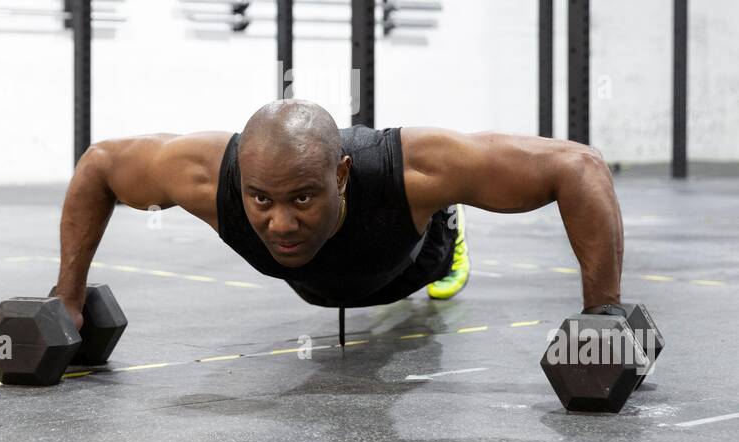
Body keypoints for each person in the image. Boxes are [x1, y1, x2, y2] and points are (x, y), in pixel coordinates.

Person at [53, 99, 624, 335]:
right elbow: (101, 165)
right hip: (316, 284)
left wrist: (604, 314)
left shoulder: (408, 169)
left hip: (407, 262)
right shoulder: (205, 179)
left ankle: (446, 228)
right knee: (312, 273)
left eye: (302, 198)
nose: (278, 223)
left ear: (342, 177)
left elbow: (578, 167)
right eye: (261, 200)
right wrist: (68, 297)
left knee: (431, 221)